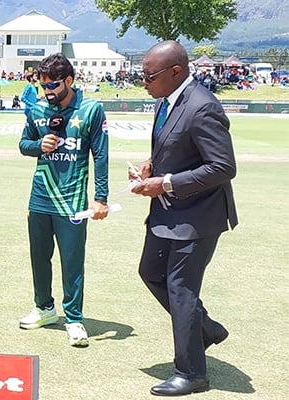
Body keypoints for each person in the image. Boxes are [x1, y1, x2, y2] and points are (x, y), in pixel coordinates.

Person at [130, 40, 237, 396]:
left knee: (181, 288)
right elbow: (177, 147)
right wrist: (151, 166)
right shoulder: (166, 100)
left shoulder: (204, 107)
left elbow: (222, 167)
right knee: (150, 273)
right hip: (168, 212)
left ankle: (192, 373)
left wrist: (167, 183)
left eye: (149, 75)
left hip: (199, 216)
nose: (143, 81)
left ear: (176, 72)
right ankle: (204, 330)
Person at [18, 53, 109, 347]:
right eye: (43, 85)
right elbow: (23, 144)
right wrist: (38, 146)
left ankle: (74, 319)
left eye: (54, 85)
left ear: (69, 81)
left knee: (72, 262)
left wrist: (101, 197)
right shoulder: (37, 110)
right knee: (39, 258)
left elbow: (101, 156)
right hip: (40, 198)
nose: (48, 92)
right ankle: (44, 308)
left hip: (73, 201)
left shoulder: (92, 110)